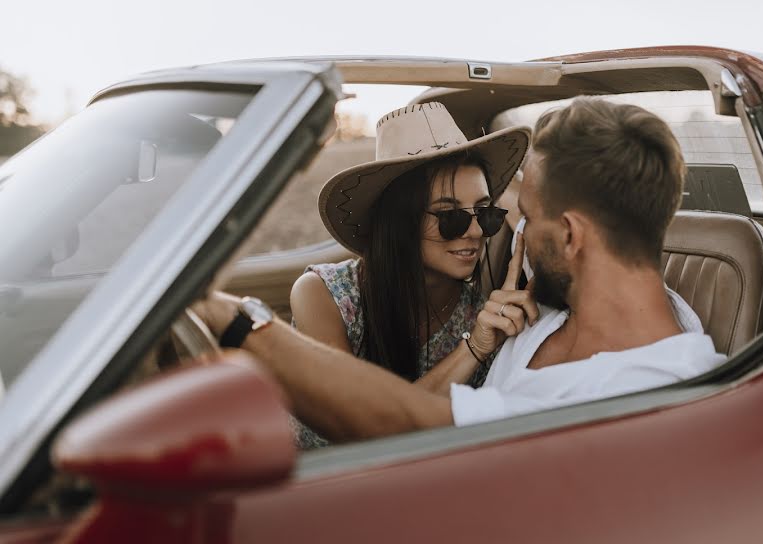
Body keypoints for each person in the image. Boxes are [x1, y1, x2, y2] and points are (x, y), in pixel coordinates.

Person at [196, 95, 726, 441]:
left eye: (516, 217)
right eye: (454, 219)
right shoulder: (561, 311)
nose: (495, 231)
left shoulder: (606, 396)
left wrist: (233, 318)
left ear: (569, 235)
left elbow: (400, 429)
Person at [292, 102, 529, 384]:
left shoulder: (482, 317)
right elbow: (356, 422)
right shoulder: (325, 294)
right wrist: (473, 348)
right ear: (400, 221)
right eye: (449, 216)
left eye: (484, 212)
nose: (476, 230)